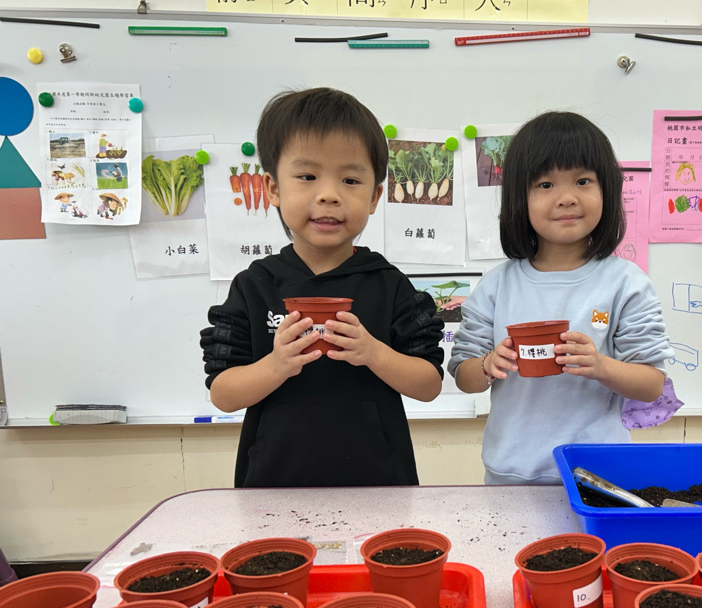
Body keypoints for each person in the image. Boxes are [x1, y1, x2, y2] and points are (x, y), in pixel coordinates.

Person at [200, 87, 445, 488]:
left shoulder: (389, 284)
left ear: (374, 197)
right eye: (307, 176)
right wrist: (277, 365)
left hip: (379, 487)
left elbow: (429, 385)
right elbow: (223, 395)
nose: (329, 195)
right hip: (272, 487)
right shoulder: (254, 285)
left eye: (350, 179)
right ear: (273, 189)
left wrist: (373, 353)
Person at [449, 111, 673, 485]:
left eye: (583, 181)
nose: (566, 198)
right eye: (545, 184)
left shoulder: (626, 283)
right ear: (519, 197)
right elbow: (464, 376)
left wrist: (600, 366)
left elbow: (651, 385)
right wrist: (488, 364)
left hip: (598, 477)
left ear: (607, 190)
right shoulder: (496, 285)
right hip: (510, 477)